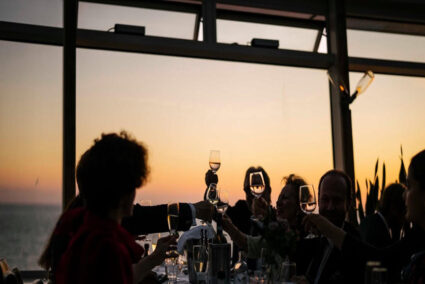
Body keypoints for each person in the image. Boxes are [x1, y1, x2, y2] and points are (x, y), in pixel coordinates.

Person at [304, 149, 425, 283]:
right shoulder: (418, 235)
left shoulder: (359, 237)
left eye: (409, 186)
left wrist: (327, 228)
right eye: (325, 199)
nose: (404, 195)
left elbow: (379, 261)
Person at [301, 170, 361, 284]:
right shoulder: (311, 237)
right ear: (318, 200)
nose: (330, 207)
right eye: (325, 199)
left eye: (337, 201)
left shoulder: (354, 245)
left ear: (348, 203)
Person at [206, 167, 272, 268]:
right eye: (247, 189)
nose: (252, 193)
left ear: (268, 190)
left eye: (257, 187)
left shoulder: (277, 221)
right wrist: (211, 187)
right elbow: (216, 210)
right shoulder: (241, 209)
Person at [359, 183, 406, 247]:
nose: (405, 218)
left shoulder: (367, 222)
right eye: (404, 211)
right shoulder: (379, 234)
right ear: (394, 208)